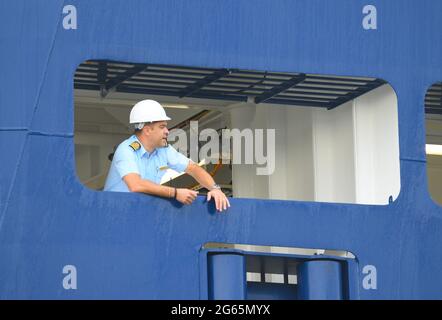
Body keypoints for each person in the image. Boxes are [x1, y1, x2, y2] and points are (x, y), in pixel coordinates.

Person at [104, 99, 230, 212]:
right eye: (162, 127)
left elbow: (193, 168)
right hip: (114, 213)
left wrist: (215, 189)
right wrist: (174, 193)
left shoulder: (163, 150)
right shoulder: (127, 149)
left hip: (138, 212)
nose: (167, 131)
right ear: (147, 130)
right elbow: (136, 185)